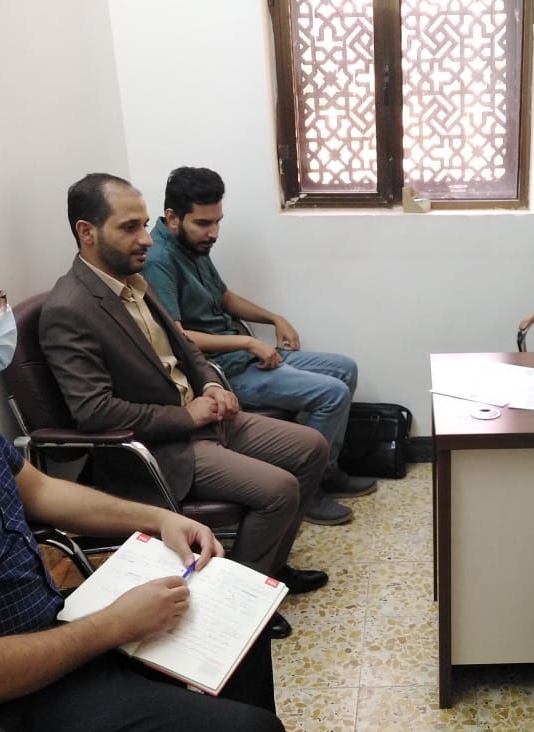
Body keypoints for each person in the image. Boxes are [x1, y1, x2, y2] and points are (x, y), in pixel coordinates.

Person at [0, 224, 345, 732]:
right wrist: (115, 624)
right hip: (5, 707)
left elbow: (39, 489)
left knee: (244, 624)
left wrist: (160, 517)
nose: (1, 308)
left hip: (49, 623)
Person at [41, 173, 331, 639]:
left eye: (144, 225)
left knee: (312, 447)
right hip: (163, 446)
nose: (146, 238)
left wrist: (212, 385)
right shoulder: (70, 309)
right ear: (87, 232)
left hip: (202, 419)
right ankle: (237, 603)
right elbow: (94, 412)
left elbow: (187, 350)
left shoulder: (136, 281)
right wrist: (186, 415)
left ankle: (267, 570)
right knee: (279, 489)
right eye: (130, 227)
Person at [142, 167, 375, 526]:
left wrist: (274, 318)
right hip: (223, 371)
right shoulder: (159, 259)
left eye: (218, 222)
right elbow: (177, 336)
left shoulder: (193, 244)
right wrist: (249, 342)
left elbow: (224, 297)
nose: (214, 232)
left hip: (241, 355)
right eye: (204, 223)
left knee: (345, 368)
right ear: (173, 218)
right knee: (332, 394)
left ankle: (325, 470)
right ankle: (308, 490)